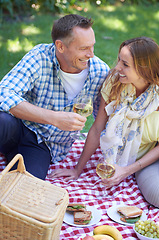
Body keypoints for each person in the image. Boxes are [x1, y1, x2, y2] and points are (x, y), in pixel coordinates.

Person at [51, 36, 159, 209]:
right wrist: (77, 169)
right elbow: (97, 128)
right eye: (119, 61)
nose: (117, 68)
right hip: (148, 158)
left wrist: (125, 171)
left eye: (125, 64)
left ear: (144, 69)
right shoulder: (115, 82)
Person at [0, 14, 110, 180]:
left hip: (44, 145)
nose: (91, 54)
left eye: (92, 46)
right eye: (83, 48)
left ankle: (14, 162)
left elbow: (100, 125)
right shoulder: (40, 57)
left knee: (27, 186)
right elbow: (4, 93)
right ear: (60, 46)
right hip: (17, 126)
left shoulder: (100, 72)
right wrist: (54, 118)